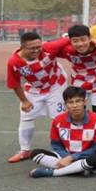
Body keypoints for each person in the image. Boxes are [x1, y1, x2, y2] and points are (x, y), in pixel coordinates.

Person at [42, 25, 96, 122]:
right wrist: (68, 39)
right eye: (75, 41)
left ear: (89, 38)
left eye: (83, 40)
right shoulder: (68, 50)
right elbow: (45, 47)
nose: (80, 44)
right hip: (79, 86)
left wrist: (95, 40)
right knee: (77, 114)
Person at [6, 31, 68, 163]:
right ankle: (24, 151)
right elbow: (15, 84)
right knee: (26, 117)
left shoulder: (49, 47)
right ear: (22, 47)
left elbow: (72, 38)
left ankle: (63, 149)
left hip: (56, 86)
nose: (37, 50)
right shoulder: (14, 62)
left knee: (60, 119)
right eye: (32, 48)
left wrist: (94, 40)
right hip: (35, 89)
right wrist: (24, 101)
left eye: (38, 47)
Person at [28, 86, 96, 178]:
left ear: (84, 102)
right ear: (65, 104)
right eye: (70, 102)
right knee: (35, 153)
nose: (75, 105)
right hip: (65, 155)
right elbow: (56, 145)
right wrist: (66, 157)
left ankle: (54, 172)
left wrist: (72, 157)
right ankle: (78, 170)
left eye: (78, 101)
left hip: (86, 157)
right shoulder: (58, 120)